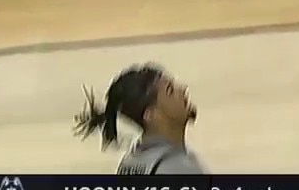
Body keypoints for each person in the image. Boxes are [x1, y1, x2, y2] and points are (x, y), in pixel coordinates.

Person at [74, 64, 207, 174]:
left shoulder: (129, 164)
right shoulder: (178, 168)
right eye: (170, 91)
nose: (183, 89)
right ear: (150, 115)